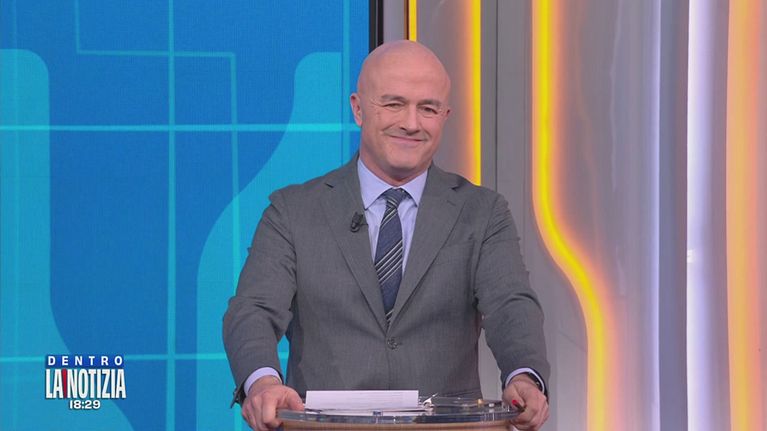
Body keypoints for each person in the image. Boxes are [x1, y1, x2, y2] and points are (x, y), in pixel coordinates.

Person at [223, 40, 549, 431]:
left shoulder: (483, 212)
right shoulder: (292, 211)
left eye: (428, 108)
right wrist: (263, 384)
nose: (411, 123)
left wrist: (524, 375)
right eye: (394, 104)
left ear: (445, 116)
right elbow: (253, 310)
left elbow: (511, 305)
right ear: (358, 108)